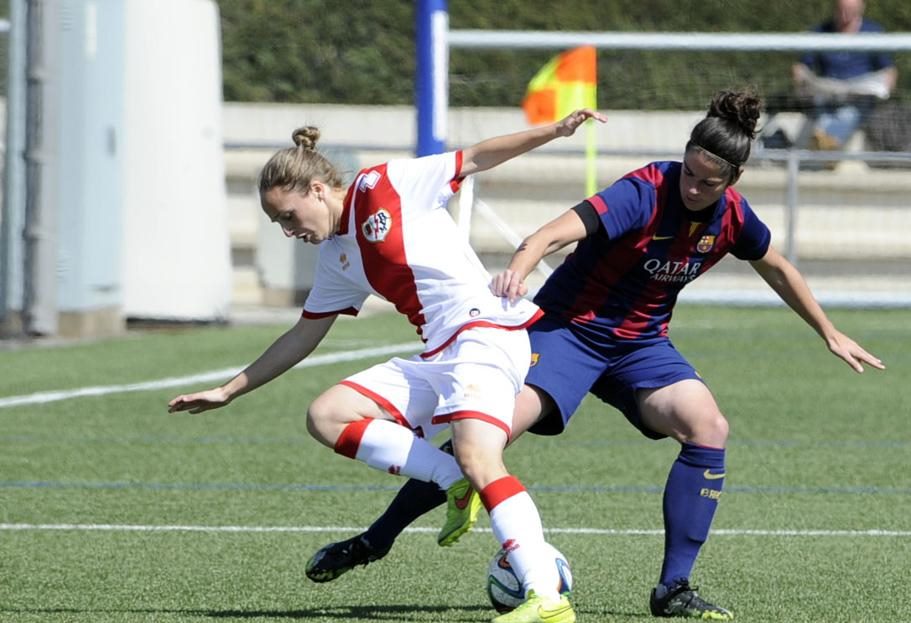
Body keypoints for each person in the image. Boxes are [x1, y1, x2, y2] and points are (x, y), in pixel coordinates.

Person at [304, 89, 885, 620]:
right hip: (565, 334)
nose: (693, 187)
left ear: (732, 179)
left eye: (709, 182)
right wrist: (523, 263)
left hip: (641, 346)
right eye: (690, 171)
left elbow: (776, 267)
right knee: (482, 440)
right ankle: (376, 540)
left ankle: (673, 590)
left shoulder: (732, 217)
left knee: (708, 426)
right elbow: (556, 231)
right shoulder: (644, 191)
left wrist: (827, 331)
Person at [168, 109, 608, 623]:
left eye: (287, 216)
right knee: (328, 414)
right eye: (277, 224)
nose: (288, 231)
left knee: (480, 457)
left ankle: (547, 599)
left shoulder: (385, 184)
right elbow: (302, 335)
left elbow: (477, 157)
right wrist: (228, 391)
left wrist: (553, 132)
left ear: (315, 189)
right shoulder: (336, 256)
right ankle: (452, 481)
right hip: (441, 353)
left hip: (484, 335)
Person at [791, 0, 897, 151]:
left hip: (859, 98)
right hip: (827, 94)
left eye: (850, 10)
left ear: (861, 8)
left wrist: (886, 85)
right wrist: (800, 76)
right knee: (824, 111)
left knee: (847, 114)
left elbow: (889, 70)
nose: (845, 15)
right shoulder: (821, 32)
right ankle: (826, 145)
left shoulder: (873, 32)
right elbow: (802, 66)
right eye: (842, 10)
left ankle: (826, 142)